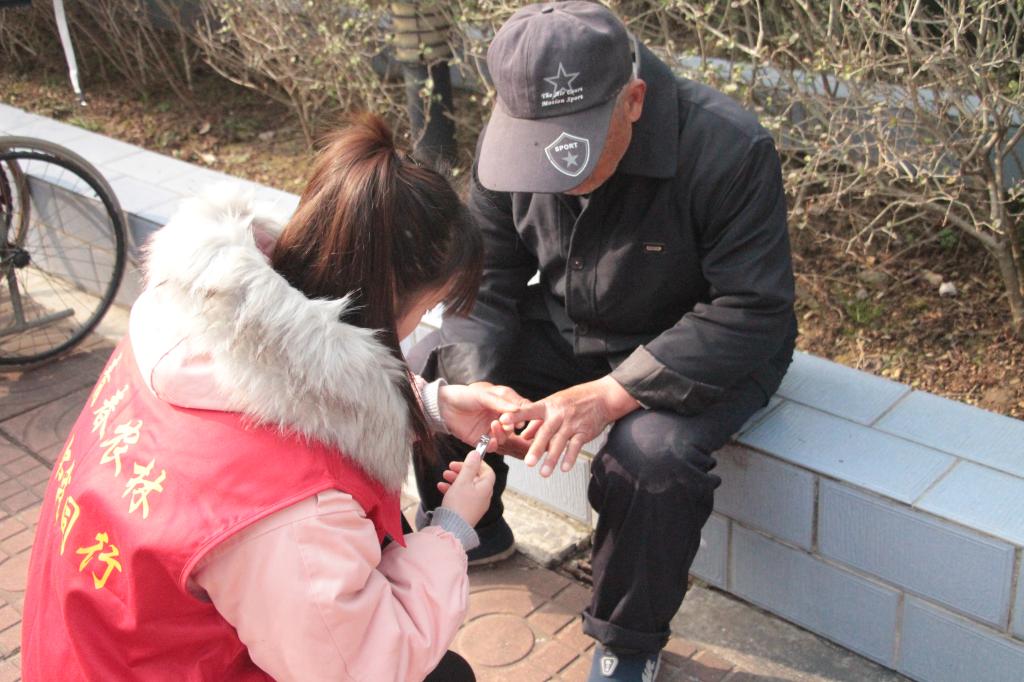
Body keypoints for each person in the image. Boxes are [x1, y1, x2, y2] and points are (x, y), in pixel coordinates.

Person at [22, 114, 526, 681]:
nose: (417, 326)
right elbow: (367, 667)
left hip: (83, 650)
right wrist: (453, 529)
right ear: (388, 295)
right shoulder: (293, 512)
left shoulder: (186, 322)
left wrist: (433, 404)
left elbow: (285, 385)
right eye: (425, 307)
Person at [411, 2, 798, 680]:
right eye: (535, 146)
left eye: (575, 150)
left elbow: (753, 308)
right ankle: (475, 528)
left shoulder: (728, 147)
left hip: (700, 341)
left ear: (634, 100)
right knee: (442, 368)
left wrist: (613, 395)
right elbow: (488, 278)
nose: (553, 173)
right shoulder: (509, 138)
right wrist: (480, 392)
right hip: (574, 320)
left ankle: (628, 639)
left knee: (649, 459)